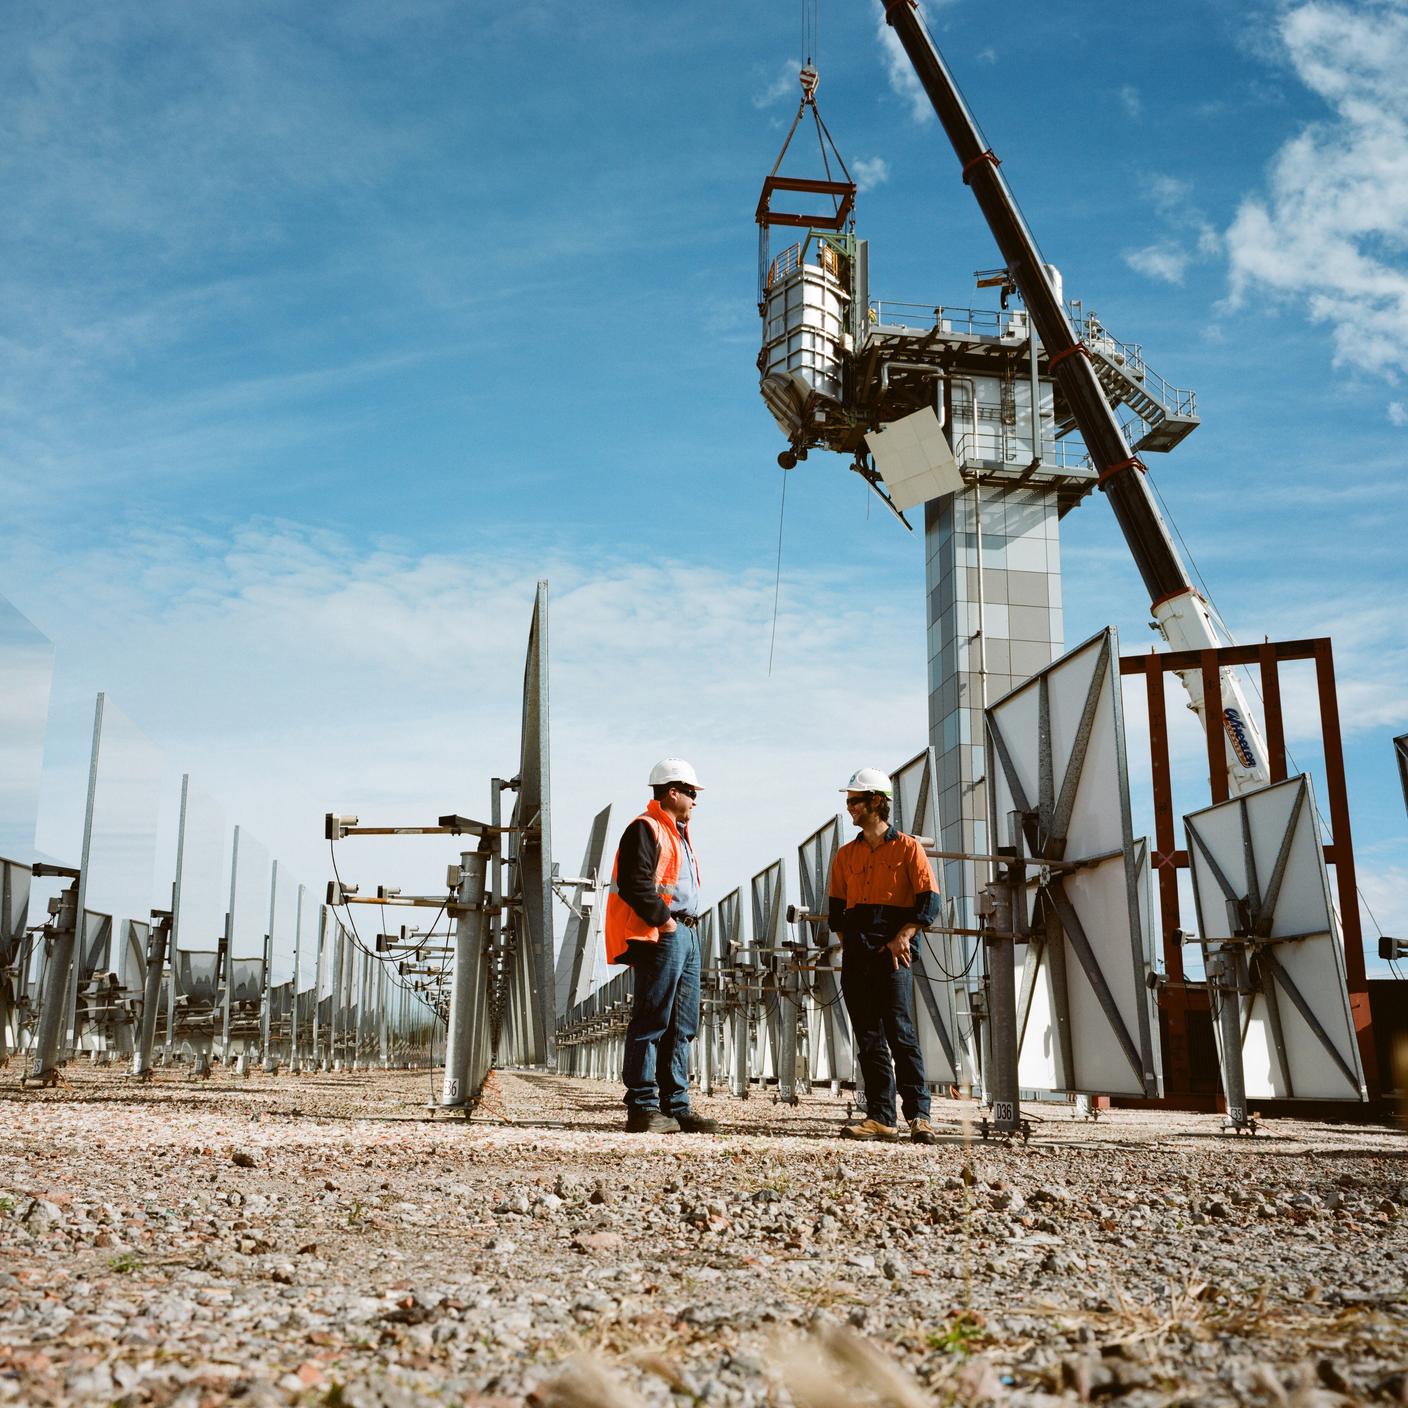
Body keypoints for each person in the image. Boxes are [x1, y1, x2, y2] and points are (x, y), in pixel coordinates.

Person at [603, 758, 718, 1135]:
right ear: (672, 791)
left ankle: (676, 1106)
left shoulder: (678, 833)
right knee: (653, 1018)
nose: (694, 800)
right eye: (690, 792)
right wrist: (665, 922)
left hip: (685, 932)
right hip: (664, 932)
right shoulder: (646, 828)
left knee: (682, 1024)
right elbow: (636, 884)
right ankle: (643, 1106)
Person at [827, 767, 941, 1145]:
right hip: (859, 957)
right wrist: (855, 946)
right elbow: (836, 912)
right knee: (869, 1038)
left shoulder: (909, 849)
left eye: (854, 801)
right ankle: (881, 1117)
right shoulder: (846, 855)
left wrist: (903, 936)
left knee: (901, 1033)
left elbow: (928, 902)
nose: (849, 808)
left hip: (895, 955)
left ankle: (919, 1116)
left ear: (877, 801)